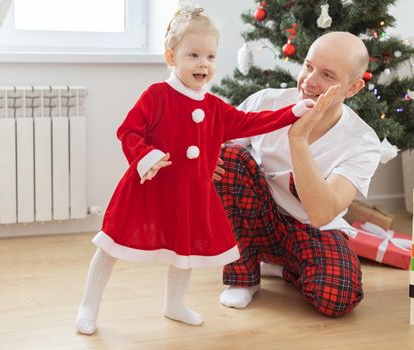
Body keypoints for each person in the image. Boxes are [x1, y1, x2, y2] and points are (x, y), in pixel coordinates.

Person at [75, 3, 337, 335]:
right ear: (172, 57)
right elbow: (128, 131)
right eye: (194, 55)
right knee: (111, 245)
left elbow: (250, 122)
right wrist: (146, 155)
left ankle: (174, 304)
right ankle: (88, 306)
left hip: (188, 195)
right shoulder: (157, 95)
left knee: (183, 251)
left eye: (210, 57)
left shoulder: (213, 107)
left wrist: (293, 112)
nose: (203, 64)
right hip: (147, 189)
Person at [214, 31, 382, 318]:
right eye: (308, 66)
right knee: (226, 157)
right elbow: (219, 153)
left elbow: (322, 213)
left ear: (352, 88)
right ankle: (243, 275)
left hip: (310, 228)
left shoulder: (362, 142)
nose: (310, 80)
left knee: (338, 297)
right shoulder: (265, 102)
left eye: (327, 75)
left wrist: (298, 140)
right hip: (257, 218)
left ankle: (284, 266)